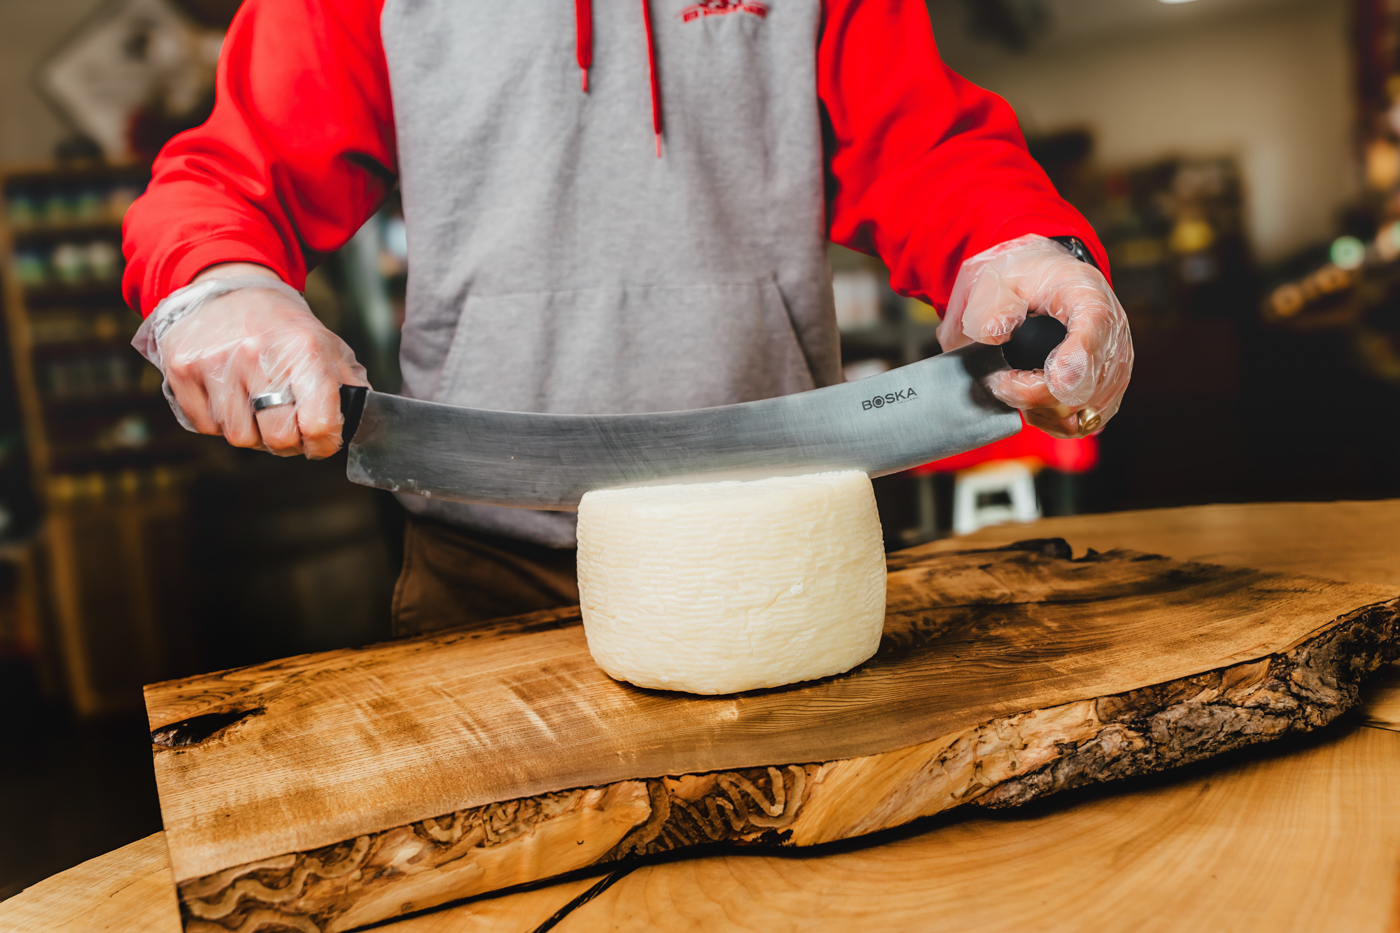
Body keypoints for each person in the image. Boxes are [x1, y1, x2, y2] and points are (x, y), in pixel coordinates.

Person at [123, 0, 1133, 637]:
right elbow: (228, 176)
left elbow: (921, 144)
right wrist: (219, 287)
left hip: (781, 557)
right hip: (487, 569)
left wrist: (1017, 242)